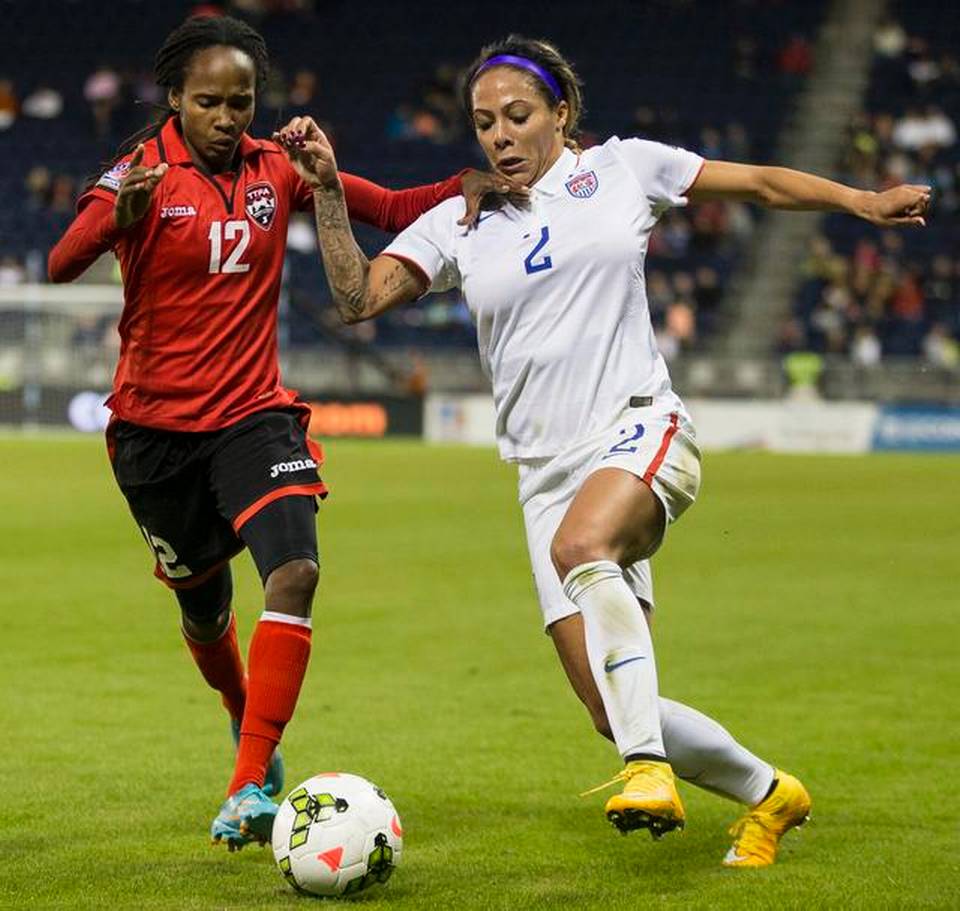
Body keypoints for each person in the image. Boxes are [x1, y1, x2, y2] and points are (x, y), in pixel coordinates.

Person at [278, 35, 931, 867]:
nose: (501, 136)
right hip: (544, 475)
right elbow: (357, 295)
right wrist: (329, 193)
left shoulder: (626, 169)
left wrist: (861, 203)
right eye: (484, 124)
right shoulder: (461, 220)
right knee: (616, 701)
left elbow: (762, 183)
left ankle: (647, 769)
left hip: (639, 427)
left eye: (518, 116)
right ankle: (772, 794)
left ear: (562, 114)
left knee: (584, 552)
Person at [47, 14, 518, 851]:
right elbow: (61, 262)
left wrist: (461, 185)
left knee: (295, 570)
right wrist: (116, 215)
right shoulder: (142, 168)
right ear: (175, 102)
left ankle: (247, 784)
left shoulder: (278, 166)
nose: (230, 117)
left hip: (253, 415)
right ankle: (244, 720)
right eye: (210, 103)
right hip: (153, 437)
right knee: (204, 611)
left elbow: (385, 206)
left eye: (242, 100)